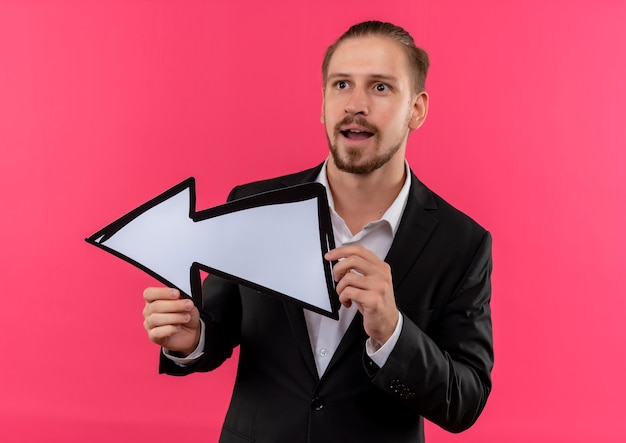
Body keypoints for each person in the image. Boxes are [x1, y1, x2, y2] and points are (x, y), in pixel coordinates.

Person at [142, 20, 493, 443]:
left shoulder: (462, 243)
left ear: (416, 109)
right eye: (341, 85)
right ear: (324, 103)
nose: (355, 104)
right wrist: (192, 338)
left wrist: (392, 330)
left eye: (380, 87)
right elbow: (218, 325)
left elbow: (464, 401)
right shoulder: (257, 208)